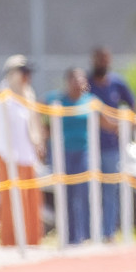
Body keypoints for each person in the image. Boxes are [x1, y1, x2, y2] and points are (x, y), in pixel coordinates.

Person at [0, 55, 45, 248]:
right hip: (9, 154)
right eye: (24, 72)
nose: (27, 77)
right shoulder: (4, 94)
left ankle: (31, 239)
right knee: (11, 200)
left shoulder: (28, 94)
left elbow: (33, 124)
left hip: (27, 154)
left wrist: (39, 143)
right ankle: (10, 240)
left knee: (31, 200)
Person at [88, 47, 136, 240]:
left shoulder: (117, 83)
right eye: (99, 59)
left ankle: (108, 232)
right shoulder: (86, 83)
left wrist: (125, 125)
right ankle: (90, 231)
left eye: (105, 59)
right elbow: (82, 101)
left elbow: (133, 105)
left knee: (110, 190)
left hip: (111, 147)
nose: (102, 63)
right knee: (89, 190)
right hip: (89, 146)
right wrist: (102, 121)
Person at [45, 67, 95, 245]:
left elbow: (106, 120)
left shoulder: (90, 101)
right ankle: (70, 236)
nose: (79, 83)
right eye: (75, 79)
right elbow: (39, 113)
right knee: (65, 195)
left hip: (83, 152)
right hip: (62, 153)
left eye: (81, 79)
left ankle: (85, 234)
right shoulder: (56, 100)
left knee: (82, 194)